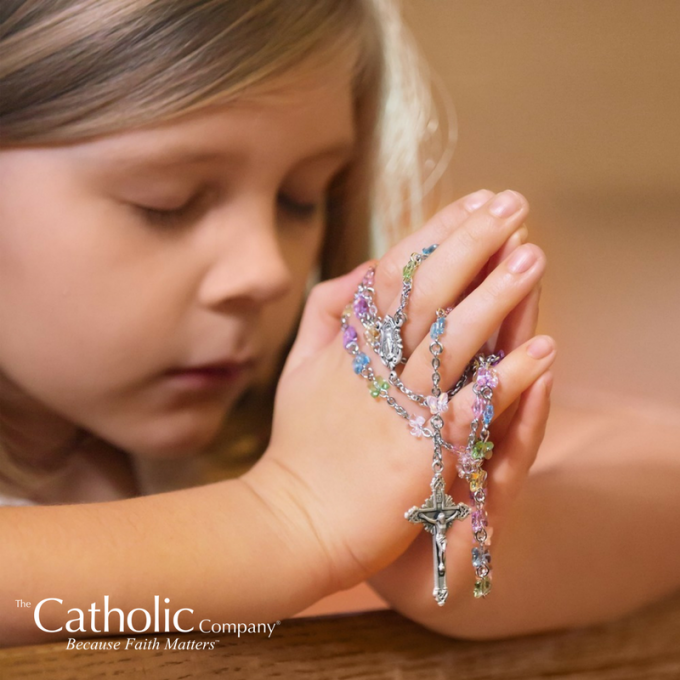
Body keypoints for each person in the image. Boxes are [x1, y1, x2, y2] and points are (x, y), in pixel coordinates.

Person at [0, 0, 559, 647]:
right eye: (165, 203)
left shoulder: (195, 455)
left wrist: (455, 558)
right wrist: (289, 516)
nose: (268, 272)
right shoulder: (282, 492)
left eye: (302, 198)